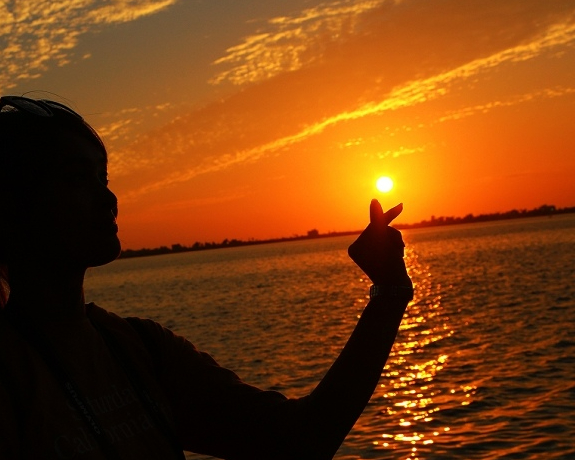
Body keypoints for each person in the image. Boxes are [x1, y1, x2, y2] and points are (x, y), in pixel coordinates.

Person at [0, 95, 413, 460]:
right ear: (13, 205)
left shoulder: (140, 349)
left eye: (103, 178)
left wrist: (390, 293)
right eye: (76, 177)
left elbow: (301, 440)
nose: (108, 198)